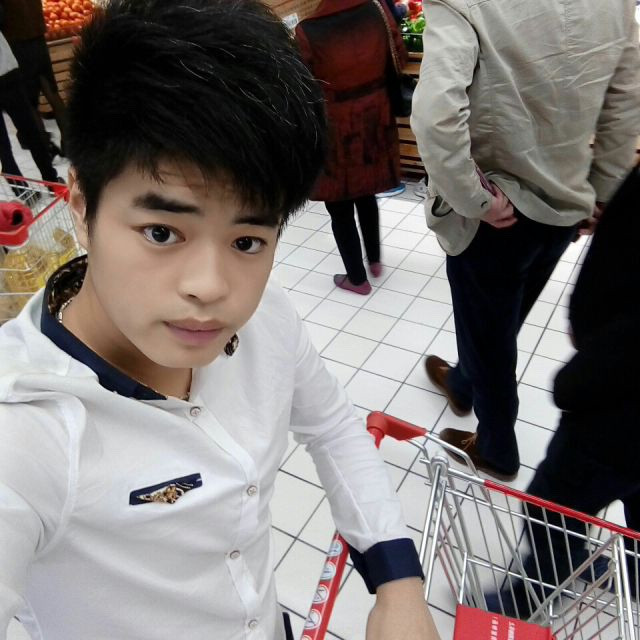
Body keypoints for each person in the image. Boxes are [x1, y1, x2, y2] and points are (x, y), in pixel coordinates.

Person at [0, 2, 440, 639]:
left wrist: (398, 583)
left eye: (247, 241)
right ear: (82, 206)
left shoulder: (269, 320)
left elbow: (332, 426)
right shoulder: (27, 425)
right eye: (161, 231)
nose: (210, 288)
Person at [411, 0, 640, 480]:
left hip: (498, 211)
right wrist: (603, 192)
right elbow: (624, 105)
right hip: (565, 201)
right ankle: (462, 383)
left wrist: (474, 200)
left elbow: (435, 117)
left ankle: (496, 448)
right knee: (501, 318)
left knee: (490, 329)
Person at [486, 160, 640, 619]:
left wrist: (572, 384)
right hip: (619, 389)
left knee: (552, 507)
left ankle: (534, 593)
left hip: (617, 411)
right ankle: (632, 577)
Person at [295, 0, 408, 295]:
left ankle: (357, 280)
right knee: (367, 192)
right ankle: (375, 261)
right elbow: (399, 54)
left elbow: (303, 89)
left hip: (336, 127)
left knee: (340, 207)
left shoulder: (307, 31)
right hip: (375, 118)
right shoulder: (376, 11)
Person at [0, 0, 67, 158]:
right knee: (51, 92)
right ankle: (69, 141)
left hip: (17, 42)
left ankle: (45, 146)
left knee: (30, 101)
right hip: (38, 38)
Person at [0, 31, 61, 188]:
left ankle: (22, 189)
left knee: (4, 143)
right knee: (30, 130)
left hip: (7, 70)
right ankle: (51, 180)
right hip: (6, 71)